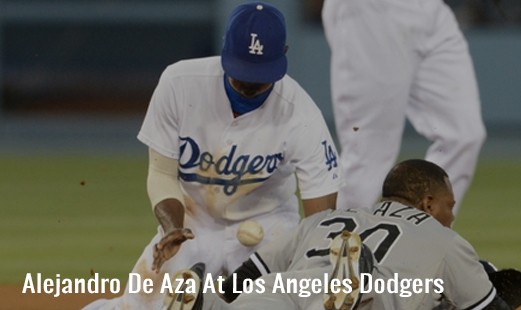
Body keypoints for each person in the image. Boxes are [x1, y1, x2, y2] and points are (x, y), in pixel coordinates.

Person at [83, 2, 342, 309]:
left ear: (284, 53)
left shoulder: (301, 113)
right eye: (242, 70)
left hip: (269, 230)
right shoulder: (179, 84)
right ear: (224, 49)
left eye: (259, 74)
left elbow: (321, 217)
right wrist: (172, 229)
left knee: (283, 304)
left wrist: (306, 266)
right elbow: (162, 173)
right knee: (140, 303)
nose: (248, 83)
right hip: (193, 223)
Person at [170, 159, 521, 310]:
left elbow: (245, 280)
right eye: (450, 204)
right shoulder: (446, 242)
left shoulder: (330, 218)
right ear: (429, 203)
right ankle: (352, 289)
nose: (452, 214)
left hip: (281, 285)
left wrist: (224, 295)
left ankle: (206, 303)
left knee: (255, 301)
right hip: (362, 293)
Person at [321, 0, 487, 217]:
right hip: (371, 11)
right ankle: (334, 244)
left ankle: (417, 236)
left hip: (431, 10)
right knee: (368, 151)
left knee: (464, 135)